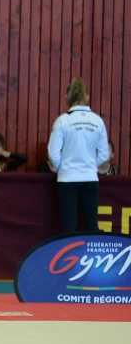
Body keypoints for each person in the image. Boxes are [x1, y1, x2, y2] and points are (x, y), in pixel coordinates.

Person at [48, 78, 110, 233]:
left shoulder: (62, 121)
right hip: (90, 178)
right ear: (87, 96)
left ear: (67, 97)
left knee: (68, 228)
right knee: (91, 227)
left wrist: (62, 168)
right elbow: (104, 154)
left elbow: (53, 153)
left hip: (67, 179)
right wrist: (90, 165)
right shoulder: (98, 121)